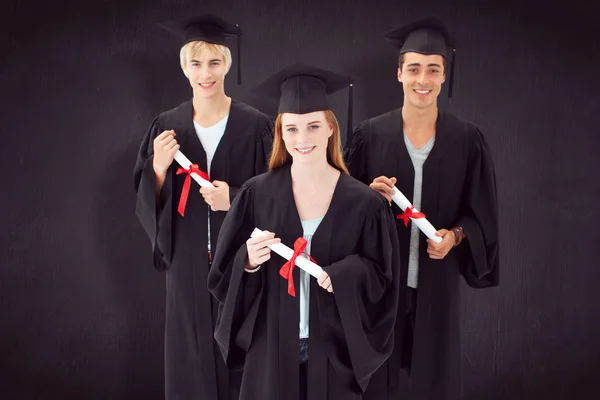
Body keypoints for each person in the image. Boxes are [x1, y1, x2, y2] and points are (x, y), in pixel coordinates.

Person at [207, 63, 403, 400]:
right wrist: (249, 260)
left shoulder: (363, 203)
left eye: (313, 126)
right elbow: (223, 273)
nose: (302, 139)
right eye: (292, 129)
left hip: (331, 351)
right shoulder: (256, 194)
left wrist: (344, 274)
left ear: (330, 128)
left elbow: (383, 280)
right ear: (281, 133)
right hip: (271, 346)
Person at [345, 17, 500, 400]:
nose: (423, 79)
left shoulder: (467, 139)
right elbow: (339, 204)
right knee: (376, 380)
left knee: (436, 382)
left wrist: (455, 236)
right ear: (399, 73)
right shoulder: (369, 134)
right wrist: (367, 193)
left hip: (436, 281)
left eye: (433, 69)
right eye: (413, 68)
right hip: (381, 281)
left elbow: (480, 213)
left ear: (444, 76)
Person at [133, 13, 273, 400]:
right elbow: (147, 197)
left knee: (243, 355)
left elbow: (279, 192)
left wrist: (235, 197)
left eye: (214, 62)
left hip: (241, 263)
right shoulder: (167, 124)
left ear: (226, 64)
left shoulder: (256, 125)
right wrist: (159, 168)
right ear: (184, 67)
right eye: (196, 63)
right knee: (191, 359)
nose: (205, 73)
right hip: (188, 264)